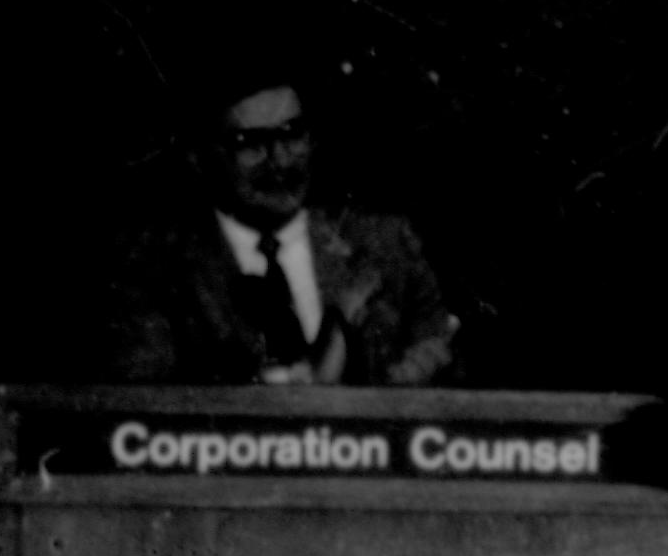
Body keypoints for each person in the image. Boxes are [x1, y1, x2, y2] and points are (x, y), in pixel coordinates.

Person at [94, 57, 463, 385]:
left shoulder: (385, 246)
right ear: (200, 157)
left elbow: (446, 369)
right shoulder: (153, 267)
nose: (280, 161)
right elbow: (142, 398)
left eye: (292, 135)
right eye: (250, 144)